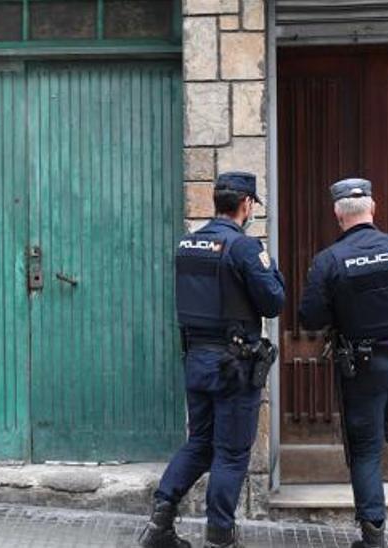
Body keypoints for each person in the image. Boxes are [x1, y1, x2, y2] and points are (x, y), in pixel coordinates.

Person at [298, 178, 388, 548]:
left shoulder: (329, 261)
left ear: (337, 213)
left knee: (365, 451)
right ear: (373, 209)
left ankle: (373, 534)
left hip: (364, 369)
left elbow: (310, 319)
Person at [141, 172, 285, 548]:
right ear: (246, 205)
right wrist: (273, 272)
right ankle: (220, 535)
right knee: (232, 453)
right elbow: (273, 302)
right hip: (234, 367)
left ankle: (160, 521)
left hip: (197, 361)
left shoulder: (188, 244)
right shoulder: (244, 248)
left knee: (200, 444)